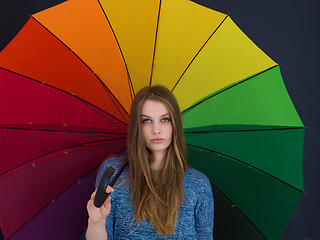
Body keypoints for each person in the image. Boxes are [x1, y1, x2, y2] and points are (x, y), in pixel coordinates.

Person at [86, 85, 214, 239]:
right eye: (146, 121)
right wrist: (96, 223)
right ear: (137, 127)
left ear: (175, 125)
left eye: (164, 119)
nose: (156, 129)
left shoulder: (199, 184)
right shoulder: (113, 173)